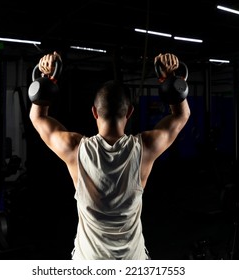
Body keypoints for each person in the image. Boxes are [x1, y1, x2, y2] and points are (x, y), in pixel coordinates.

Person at [29, 51, 191, 260]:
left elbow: (37, 117)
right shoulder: (145, 148)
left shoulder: (74, 148)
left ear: (95, 112)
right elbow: (181, 115)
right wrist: (171, 80)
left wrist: (47, 79)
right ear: (130, 112)